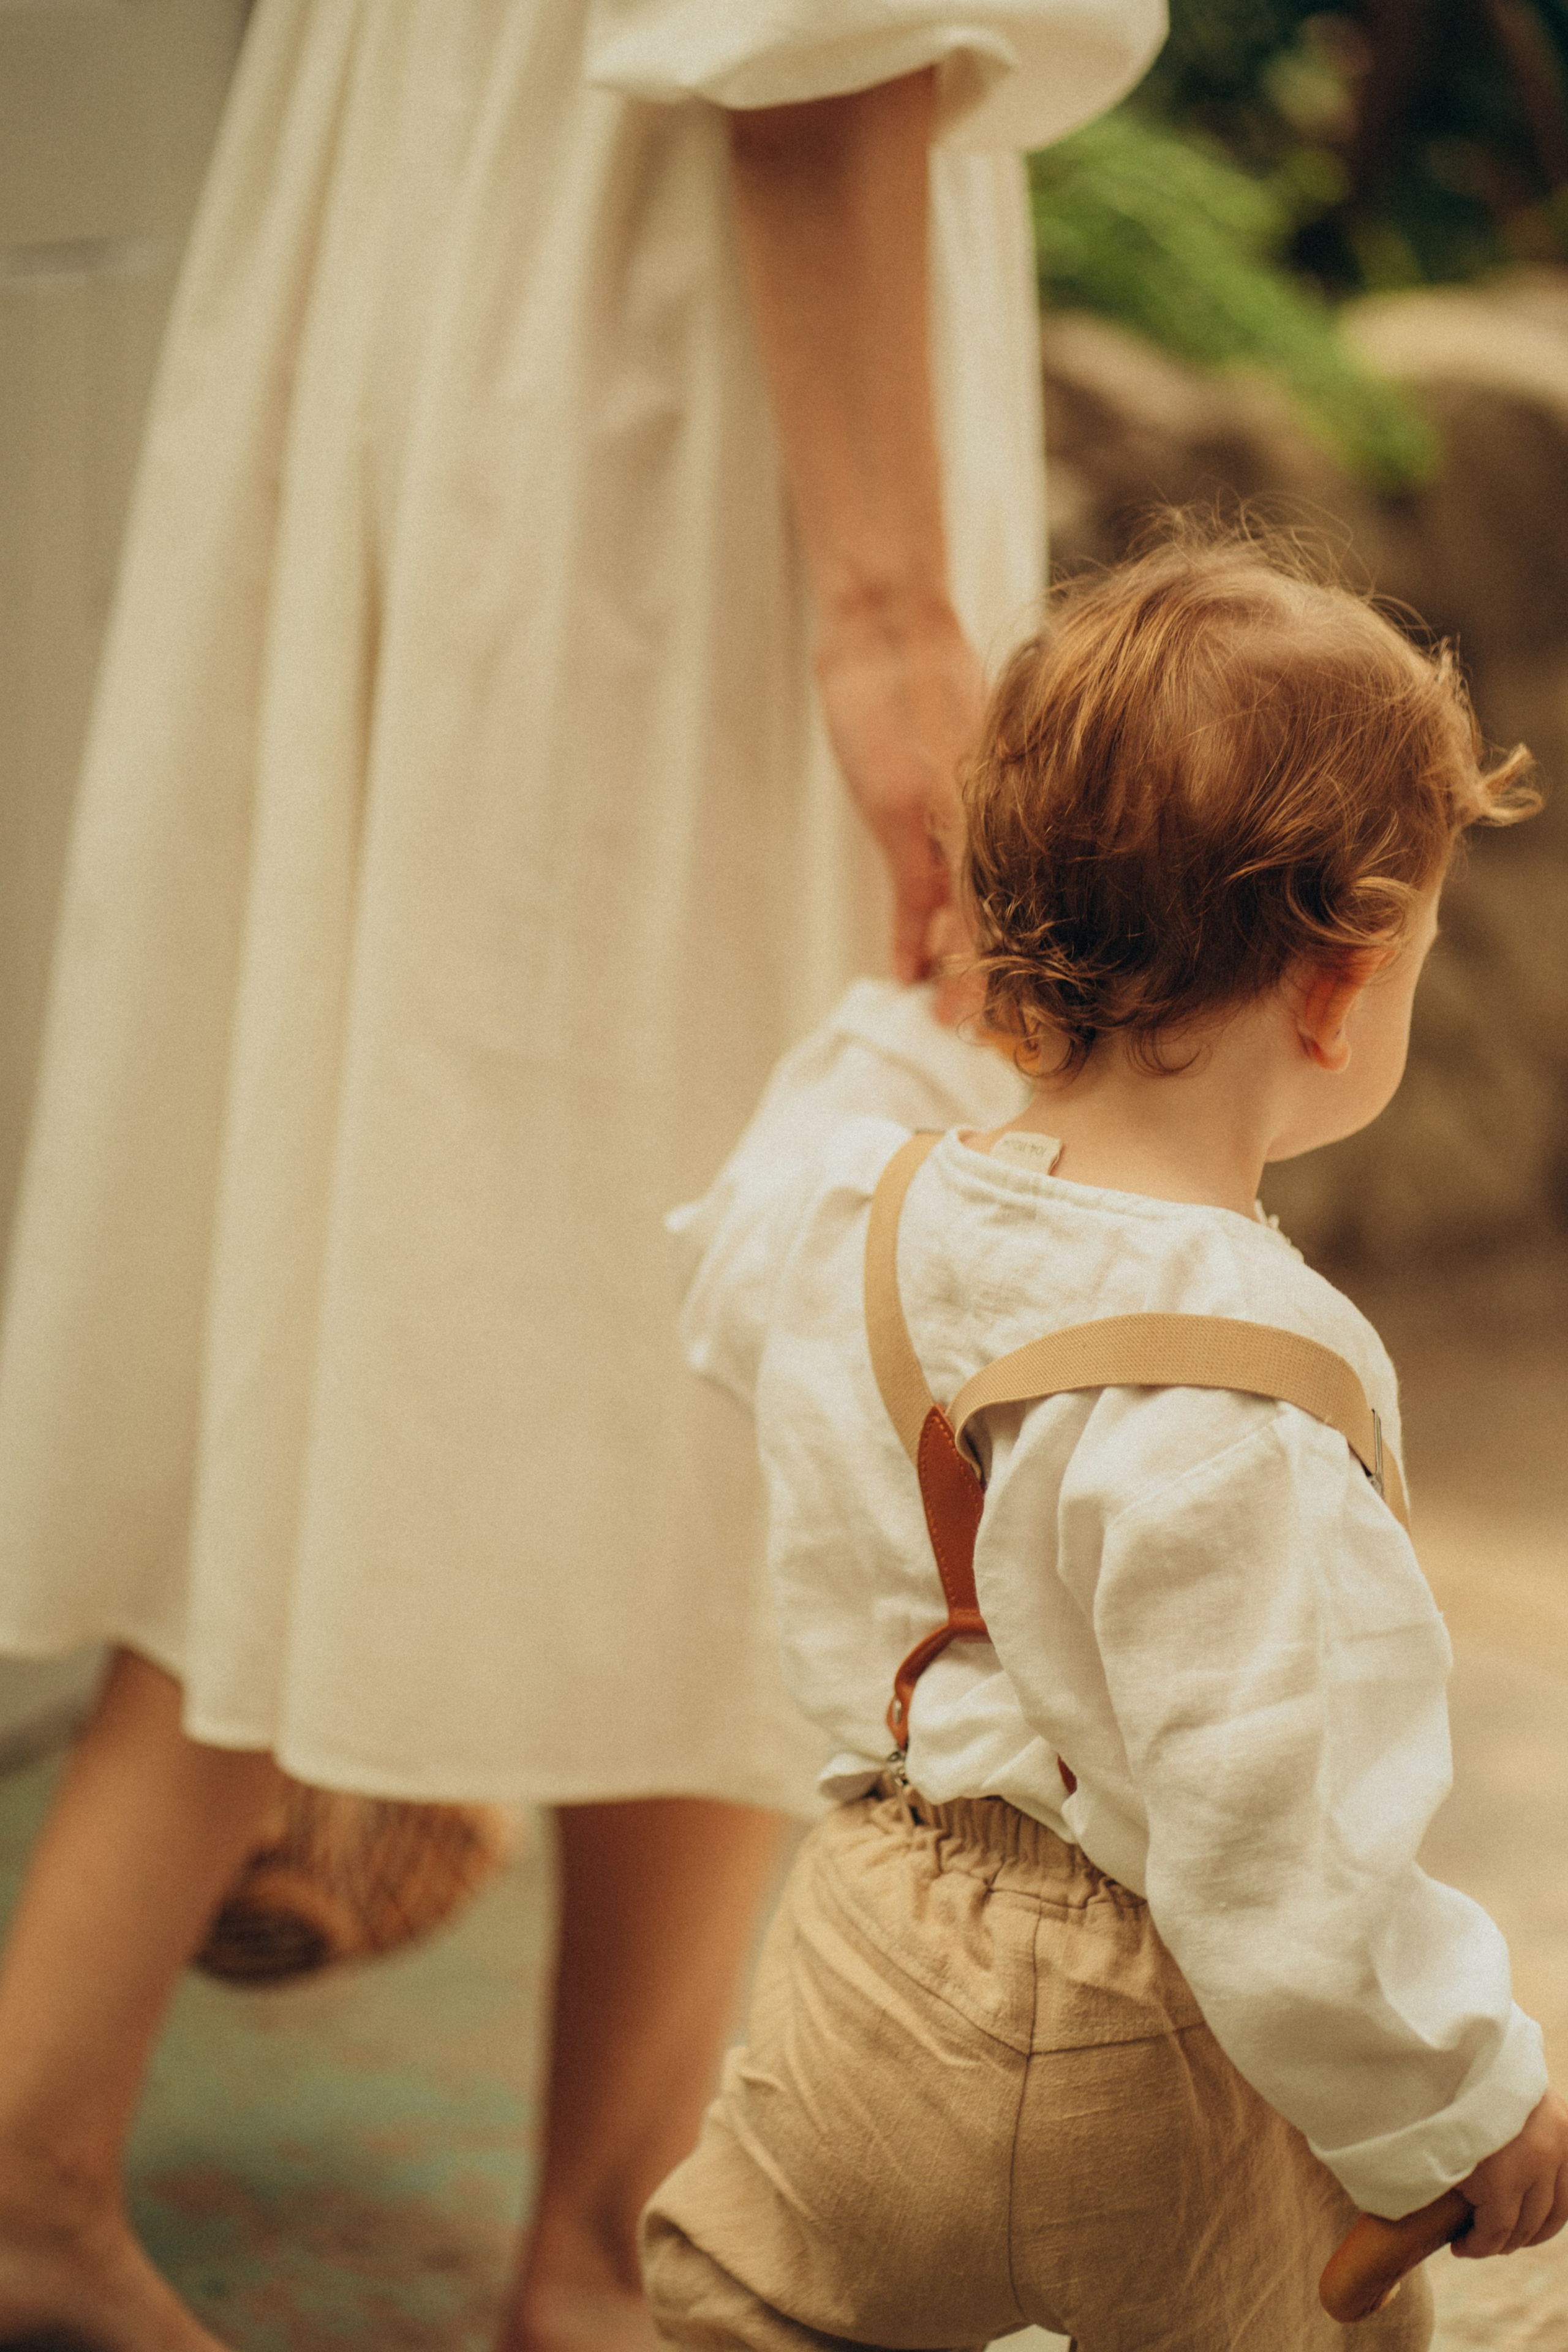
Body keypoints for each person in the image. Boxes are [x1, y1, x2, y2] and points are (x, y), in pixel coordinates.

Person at [0, 4, 1166, 2350]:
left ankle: (421, 2216)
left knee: (358, 1233)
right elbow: (819, 28)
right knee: (793, 1279)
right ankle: (550, 2240)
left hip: (457, 264)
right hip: (682, 398)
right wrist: (886, 601)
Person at [641, 530, 1568, 2352]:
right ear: (1337, 984)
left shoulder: (849, 1208)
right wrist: (1465, 2110)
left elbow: (741, 1227)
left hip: (867, 1962)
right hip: (1154, 2062)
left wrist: (883, 1030)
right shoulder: (1247, 1396)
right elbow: (1280, 1851)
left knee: (762, 2307)